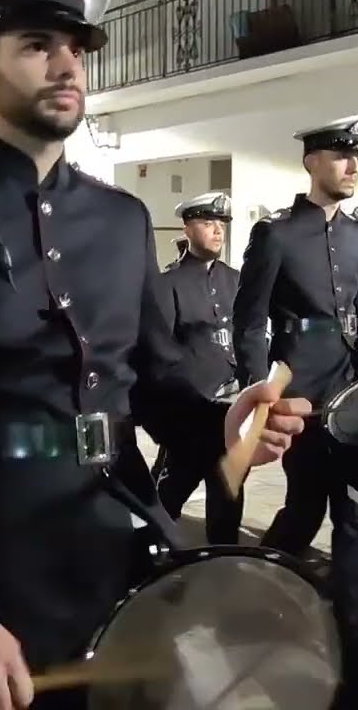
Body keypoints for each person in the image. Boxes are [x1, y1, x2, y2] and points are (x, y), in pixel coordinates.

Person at [0, 0, 311, 708]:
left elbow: (151, 382)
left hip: (122, 556)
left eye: (77, 49)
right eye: (36, 45)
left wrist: (224, 422)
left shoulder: (121, 219)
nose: (66, 66)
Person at [231, 115, 358, 699]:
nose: (353, 165)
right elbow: (249, 318)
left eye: (357, 156)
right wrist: (262, 392)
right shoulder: (276, 234)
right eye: (341, 156)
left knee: (353, 516)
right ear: (312, 162)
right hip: (299, 394)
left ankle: (355, 647)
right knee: (306, 509)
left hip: (350, 392)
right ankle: (249, 599)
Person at [151, 191, 244, 544]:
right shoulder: (169, 283)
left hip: (230, 412)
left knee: (227, 496)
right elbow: (161, 354)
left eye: (221, 225)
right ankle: (145, 561)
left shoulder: (235, 280)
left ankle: (224, 565)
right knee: (168, 496)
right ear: (188, 228)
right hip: (190, 413)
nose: (217, 231)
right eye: (208, 224)